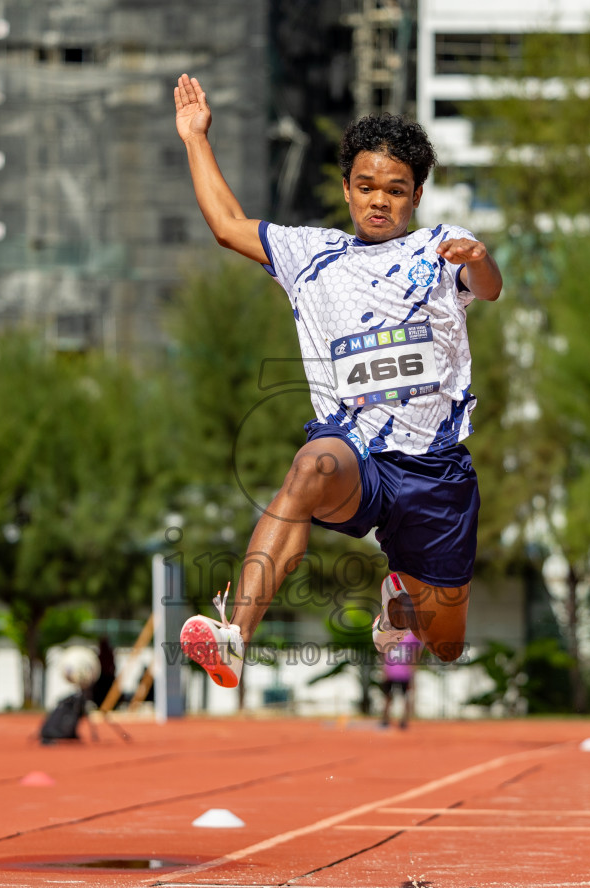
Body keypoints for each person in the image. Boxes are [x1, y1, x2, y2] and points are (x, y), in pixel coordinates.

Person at [171, 75, 503, 689]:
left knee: (448, 645)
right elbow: (226, 223)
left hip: (435, 470)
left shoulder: (441, 249)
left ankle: (399, 596)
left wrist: (478, 261)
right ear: (347, 190)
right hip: (357, 456)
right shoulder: (312, 255)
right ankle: (234, 636)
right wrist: (195, 138)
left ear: (417, 196)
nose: (381, 201)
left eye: (397, 191)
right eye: (367, 186)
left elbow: (489, 289)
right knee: (309, 467)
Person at [380, 630, 421, 729]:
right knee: (388, 696)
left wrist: (413, 666)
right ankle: (385, 720)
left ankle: (403, 721)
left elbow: (416, 650)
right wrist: (384, 667)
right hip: (391, 671)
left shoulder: (412, 634)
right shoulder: (390, 632)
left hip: (404, 672)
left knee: (405, 696)